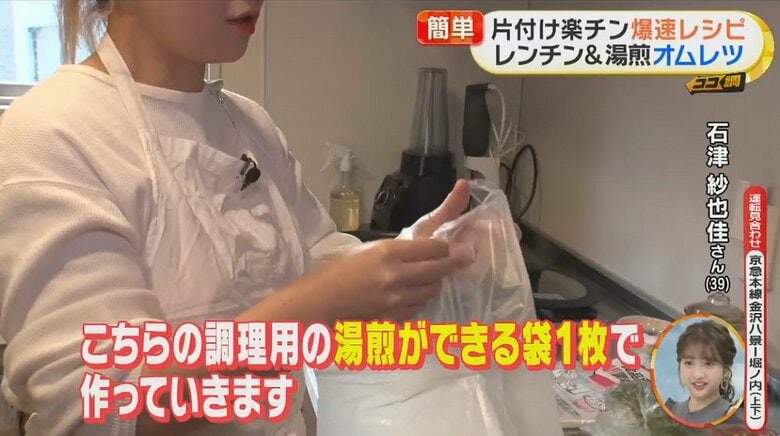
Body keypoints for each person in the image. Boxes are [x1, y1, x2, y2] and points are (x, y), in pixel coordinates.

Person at [0, 1, 477, 435]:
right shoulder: (49, 134)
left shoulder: (250, 125)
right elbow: (99, 410)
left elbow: (321, 261)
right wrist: (308, 315)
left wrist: (426, 254)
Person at [664, 320, 741, 426]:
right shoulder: (669, 411)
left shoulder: (734, 420)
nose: (698, 375)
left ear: (726, 370)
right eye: (689, 363)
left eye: (708, 364)